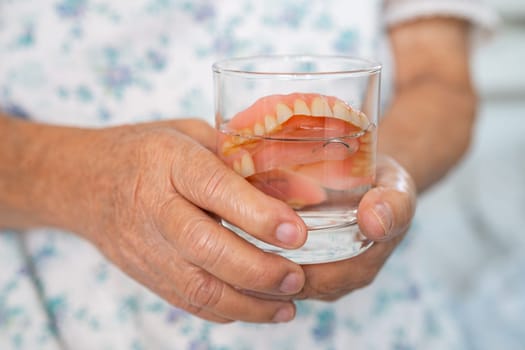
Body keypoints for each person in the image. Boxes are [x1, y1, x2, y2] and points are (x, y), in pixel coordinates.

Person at [0, 0, 496, 349]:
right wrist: (85, 179)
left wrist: (375, 190)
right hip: (74, 321)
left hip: (380, 320)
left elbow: (440, 85)